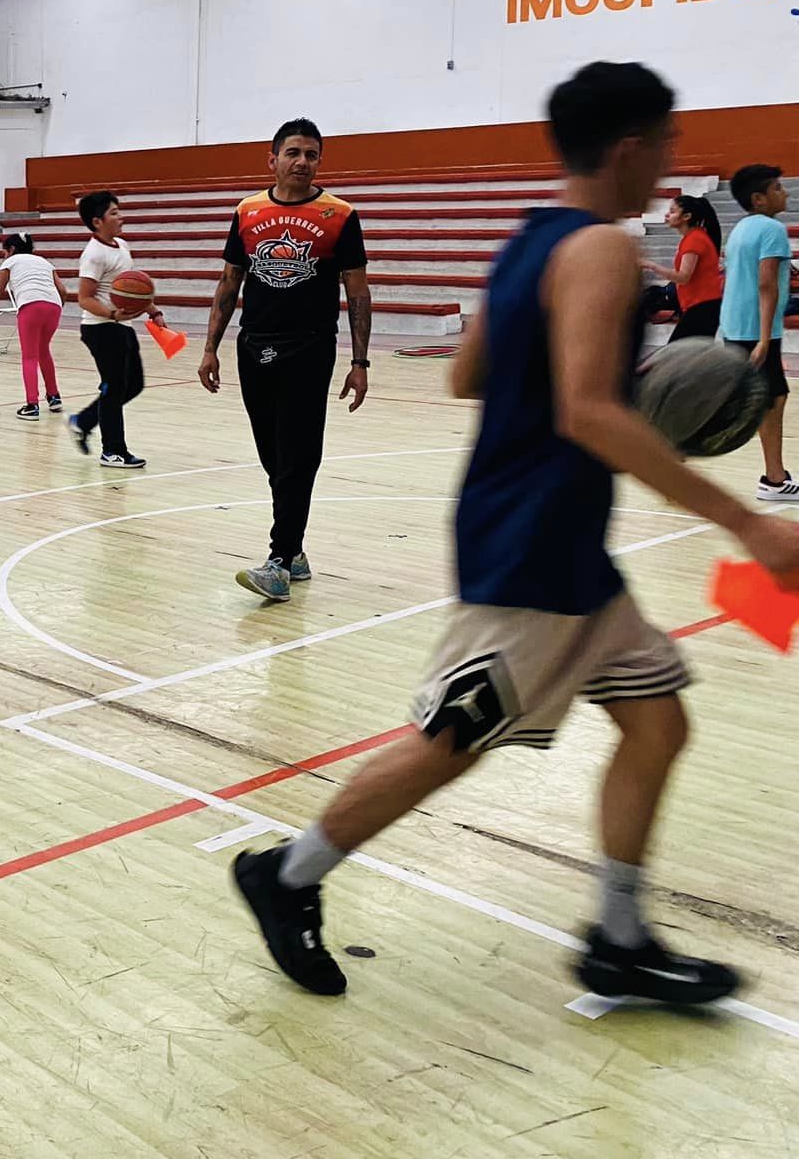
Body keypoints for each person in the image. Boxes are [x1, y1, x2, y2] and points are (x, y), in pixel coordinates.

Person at [233, 61, 799, 1007]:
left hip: (560, 539)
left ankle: (618, 939)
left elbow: (468, 376)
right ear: (629, 147)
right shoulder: (602, 252)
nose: (671, 158)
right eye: (665, 142)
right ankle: (288, 874)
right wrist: (743, 519)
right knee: (452, 740)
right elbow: (586, 412)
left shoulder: (533, 240)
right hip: (534, 543)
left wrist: (582, 381)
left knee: (657, 721)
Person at [198, 119, 373, 603]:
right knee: (272, 455)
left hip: (310, 347)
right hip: (253, 346)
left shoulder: (340, 215)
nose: (302, 161)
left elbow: (357, 292)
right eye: (293, 152)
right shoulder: (248, 212)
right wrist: (211, 348)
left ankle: (278, 562)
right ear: (271, 159)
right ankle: (294, 549)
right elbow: (230, 282)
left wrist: (360, 362)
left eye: (312, 154)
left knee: (298, 454)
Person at [65, 191, 163, 467]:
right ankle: (113, 451)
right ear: (97, 221)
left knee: (134, 385)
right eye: (115, 213)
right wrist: (111, 314)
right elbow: (84, 298)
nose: (122, 217)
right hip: (101, 329)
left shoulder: (121, 245)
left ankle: (82, 422)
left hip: (122, 326)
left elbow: (134, 291)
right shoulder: (93, 255)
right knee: (114, 388)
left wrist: (153, 310)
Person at [719, 164, 797, 501]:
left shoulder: (742, 229)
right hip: (756, 327)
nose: (786, 192)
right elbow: (767, 284)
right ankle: (775, 480)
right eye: (778, 188)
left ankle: (775, 475)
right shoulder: (772, 229)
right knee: (771, 399)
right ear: (759, 199)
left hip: (736, 323)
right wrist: (765, 338)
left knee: (772, 397)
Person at [0, 234, 64, 418]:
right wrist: (56, 308)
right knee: (43, 351)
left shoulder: (9, 263)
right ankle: (54, 397)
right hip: (54, 307)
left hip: (30, 306)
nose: (3, 256)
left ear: (10, 250)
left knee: (30, 357)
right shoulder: (44, 262)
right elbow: (63, 290)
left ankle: (32, 406)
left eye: (4, 252)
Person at [642, 195, 721, 340]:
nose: (667, 215)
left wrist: (652, 265)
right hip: (700, 305)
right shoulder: (694, 237)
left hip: (703, 306)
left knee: (677, 354)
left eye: (672, 211)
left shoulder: (694, 239)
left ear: (686, 216)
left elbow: (683, 277)